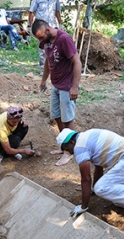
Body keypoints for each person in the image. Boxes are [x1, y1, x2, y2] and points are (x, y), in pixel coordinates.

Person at [56, 128, 124, 217]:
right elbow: (99, 167)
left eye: (67, 149)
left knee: (101, 188)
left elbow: (86, 179)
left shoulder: (80, 147)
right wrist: (93, 188)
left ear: (72, 142)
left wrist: (83, 207)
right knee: (119, 201)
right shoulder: (88, 136)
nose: (68, 152)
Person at [32, 19, 81, 166]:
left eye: (40, 37)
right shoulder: (45, 41)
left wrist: (75, 87)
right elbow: (48, 60)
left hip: (67, 85)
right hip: (55, 84)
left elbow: (77, 62)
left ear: (47, 30)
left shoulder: (63, 39)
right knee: (57, 116)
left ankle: (70, 151)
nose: (40, 41)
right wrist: (43, 80)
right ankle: (64, 145)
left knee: (68, 118)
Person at [28, 0, 62, 67]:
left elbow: (57, 12)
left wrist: (60, 24)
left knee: (54, 47)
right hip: (41, 29)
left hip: (52, 28)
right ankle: (43, 68)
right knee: (42, 49)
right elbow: (31, 12)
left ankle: (54, 66)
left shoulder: (55, 0)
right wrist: (30, 26)